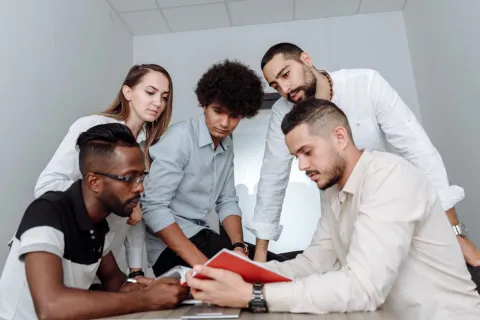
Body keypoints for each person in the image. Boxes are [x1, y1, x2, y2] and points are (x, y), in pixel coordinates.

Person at [185, 99, 480, 319]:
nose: (301, 166)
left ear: (339, 138)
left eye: (307, 152)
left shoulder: (390, 177)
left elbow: (364, 287)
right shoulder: (333, 190)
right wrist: (247, 273)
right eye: (295, 156)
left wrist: (254, 295)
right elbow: (314, 264)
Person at [249, 42, 479, 268]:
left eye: (286, 75)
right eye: (275, 85)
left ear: (306, 60)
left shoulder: (365, 84)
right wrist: (260, 260)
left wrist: (454, 232)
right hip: (340, 216)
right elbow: (272, 179)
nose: (285, 89)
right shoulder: (282, 111)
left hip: (392, 204)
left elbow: (418, 150)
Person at [0, 124, 189, 320]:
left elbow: (115, 282)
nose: (140, 188)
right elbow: (50, 307)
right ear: (94, 182)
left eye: (141, 176)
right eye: (129, 178)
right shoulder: (46, 213)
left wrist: (152, 287)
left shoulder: (98, 224)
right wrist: (148, 299)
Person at [142, 60, 285, 277]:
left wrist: (239, 246)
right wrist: (202, 264)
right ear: (204, 104)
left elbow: (227, 200)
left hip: (202, 235)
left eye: (234, 116)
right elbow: (152, 207)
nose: (225, 123)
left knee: (275, 264)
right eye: (218, 111)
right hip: (169, 248)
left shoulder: (226, 143)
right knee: (268, 270)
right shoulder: (180, 137)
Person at [34, 64, 173, 279]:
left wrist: (135, 270)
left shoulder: (147, 148)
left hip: (104, 264)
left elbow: (136, 215)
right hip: (64, 254)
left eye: (164, 97)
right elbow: (46, 187)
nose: (158, 103)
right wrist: (116, 202)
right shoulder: (93, 126)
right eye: (150, 92)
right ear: (128, 92)